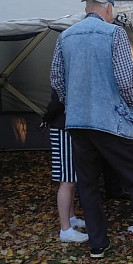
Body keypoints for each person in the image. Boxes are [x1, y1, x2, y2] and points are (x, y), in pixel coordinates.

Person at [50, 0, 133, 259]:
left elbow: (56, 80)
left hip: (77, 123)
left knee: (87, 184)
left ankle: (97, 244)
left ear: (89, 7)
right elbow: (125, 80)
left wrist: (72, 104)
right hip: (110, 122)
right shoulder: (114, 34)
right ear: (108, 8)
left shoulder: (65, 36)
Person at [41, 89, 88, 243]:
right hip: (63, 128)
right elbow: (57, 100)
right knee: (67, 180)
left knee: (71, 179)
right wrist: (48, 117)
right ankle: (66, 230)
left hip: (67, 126)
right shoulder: (64, 69)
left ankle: (71, 218)